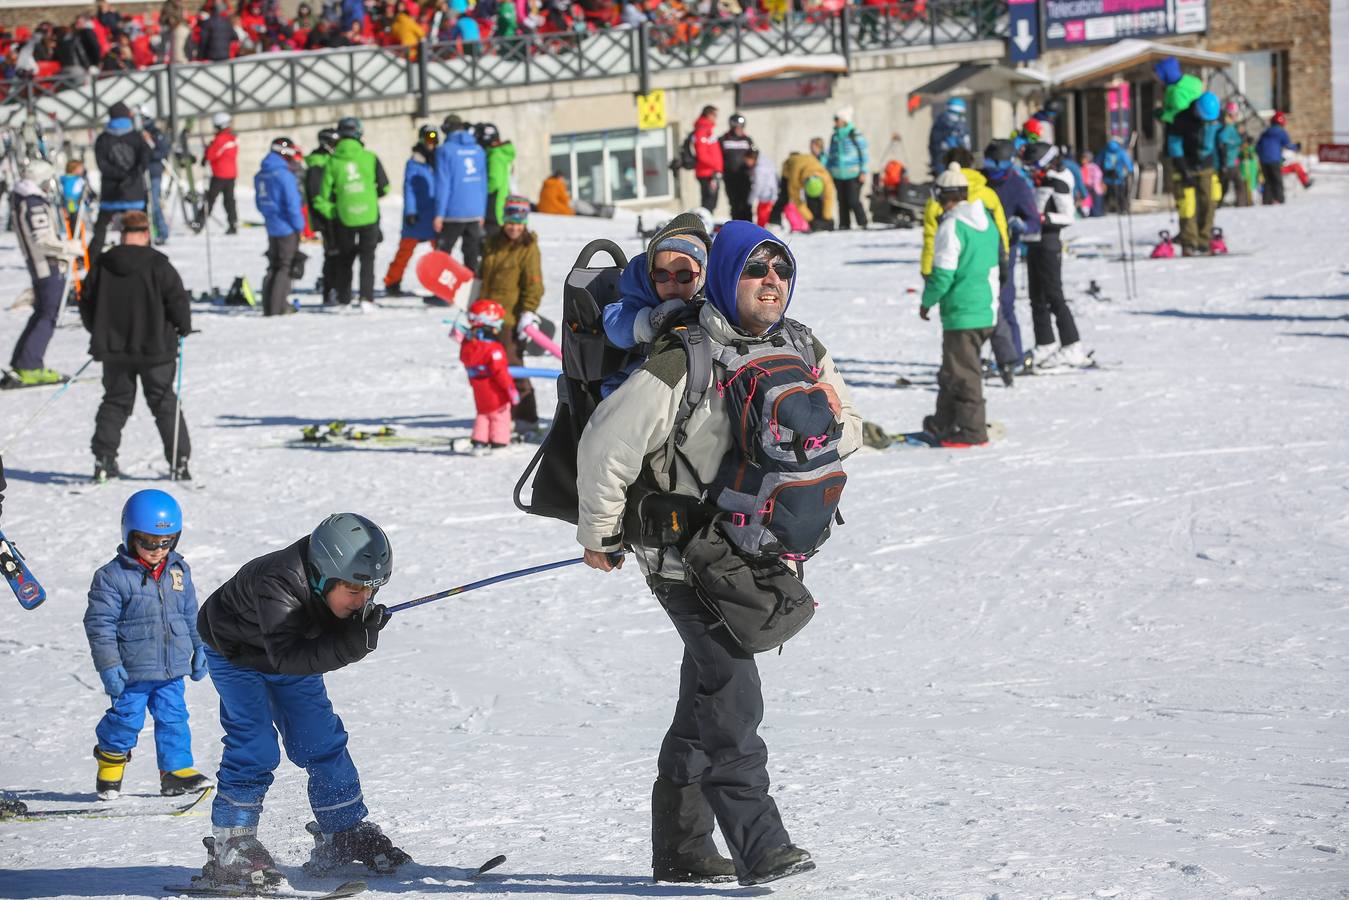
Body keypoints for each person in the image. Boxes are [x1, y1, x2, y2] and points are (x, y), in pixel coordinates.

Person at [576, 220, 861, 887]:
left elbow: (848, 428)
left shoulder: (802, 345)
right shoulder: (685, 357)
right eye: (756, 269)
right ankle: (761, 846)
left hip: (756, 547)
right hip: (685, 554)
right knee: (732, 689)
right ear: (728, 276)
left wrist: (807, 437)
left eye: (781, 270)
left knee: (704, 694)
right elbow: (606, 445)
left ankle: (681, 851)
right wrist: (599, 534)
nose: (771, 282)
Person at [194, 514, 408, 888]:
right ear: (322, 575)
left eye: (371, 591)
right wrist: (350, 644)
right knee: (255, 743)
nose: (363, 600)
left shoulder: (334, 588)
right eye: (354, 590)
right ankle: (232, 842)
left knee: (319, 737)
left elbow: (306, 644)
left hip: (290, 650)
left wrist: (354, 625)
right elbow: (287, 657)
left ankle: (343, 830)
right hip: (236, 656)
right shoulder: (277, 582)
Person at [84, 489, 211, 802]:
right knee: (126, 720)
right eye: (149, 542)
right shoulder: (111, 577)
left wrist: (200, 646)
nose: (157, 550)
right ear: (130, 536)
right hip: (133, 670)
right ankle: (110, 760)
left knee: (174, 718)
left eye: (166, 543)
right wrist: (109, 665)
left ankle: (175, 772)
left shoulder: (179, 571)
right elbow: (100, 625)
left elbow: (190, 613)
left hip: (171, 669)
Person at [80, 211, 192, 482]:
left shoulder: (103, 264)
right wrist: (183, 326)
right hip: (156, 350)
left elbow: (86, 303)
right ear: (145, 234)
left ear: (123, 234)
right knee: (164, 402)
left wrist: (101, 332)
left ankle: (104, 459)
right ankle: (179, 461)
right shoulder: (159, 265)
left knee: (115, 402)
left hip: (115, 350)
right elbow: (177, 301)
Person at [919, 164, 1001, 447]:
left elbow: (943, 275)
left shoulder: (952, 226)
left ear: (943, 195)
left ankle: (972, 430)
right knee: (952, 370)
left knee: (964, 374)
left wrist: (927, 302)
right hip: (985, 308)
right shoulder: (986, 219)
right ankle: (944, 421)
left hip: (963, 312)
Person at [600, 212, 711, 396]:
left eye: (684, 275)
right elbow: (614, 320)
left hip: (691, 379)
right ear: (652, 275)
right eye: (662, 275)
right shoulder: (643, 295)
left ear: (702, 278)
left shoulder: (708, 302)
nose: (671, 283)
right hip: (638, 379)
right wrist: (646, 322)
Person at [2, 160, 83, 388]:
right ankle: (30, 365)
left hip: (40, 264)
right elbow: (42, 239)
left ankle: (23, 361)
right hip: (47, 266)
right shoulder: (33, 202)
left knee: (41, 312)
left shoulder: (23, 199)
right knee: (49, 313)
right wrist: (68, 248)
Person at [477, 195, 543, 437]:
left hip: (509, 319)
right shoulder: (492, 242)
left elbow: (534, 284)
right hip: (486, 318)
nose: (514, 227)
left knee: (513, 367)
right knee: (489, 370)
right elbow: (481, 276)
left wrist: (528, 311)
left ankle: (527, 418)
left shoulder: (528, 248)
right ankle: (501, 414)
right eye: (510, 222)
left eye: (519, 223)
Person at [1021, 143, 1090, 370]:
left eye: (1032, 166)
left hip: (1049, 242)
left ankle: (1072, 344)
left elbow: (1068, 216)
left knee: (1054, 295)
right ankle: (1045, 342)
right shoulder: (1038, 182)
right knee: (1036, 297)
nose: (1029, 170)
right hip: (1033, 242)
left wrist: (1044, 219)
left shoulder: (1057, 182)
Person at [313, 117, 390, 308]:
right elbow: (385, 187)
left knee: (345, 259)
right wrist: (368, 196)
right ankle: (366, 298)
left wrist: (334, 211)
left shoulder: (332, 162)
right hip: (369, 216)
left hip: (345, 217)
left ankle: (344, 298)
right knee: (368, 259)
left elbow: (322, 197)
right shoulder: (370, 157)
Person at [981, 139, 1038, 383]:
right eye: (990, 163)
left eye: (1000, 164)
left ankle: (1013, 356)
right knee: (979, 303)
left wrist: (1022, 226)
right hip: (979, 248)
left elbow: (1034, 221)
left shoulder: (1018, 185)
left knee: (1004, 303)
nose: (994, 169)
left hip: (1005, 250)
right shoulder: (979, 180)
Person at [90, 101, 152, 263]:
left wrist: (118, 175)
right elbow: (145, 159)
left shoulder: (103, 139)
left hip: (111, 192)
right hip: (134, 191)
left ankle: (93, 262)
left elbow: (102, 164)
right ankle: (146, 260)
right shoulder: (136, 137)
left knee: (100, 231)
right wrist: (131, 175)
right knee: (139, 228)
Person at [383, 125, 439, 295]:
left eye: (433, 138)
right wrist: (410, 211)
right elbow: (409, 188)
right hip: (418, 214)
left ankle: (441, 284)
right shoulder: (414, 162)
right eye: (428, 138)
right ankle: (392, 281)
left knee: (441, 253)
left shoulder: (441, 159)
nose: (430, 142)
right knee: (405, 250)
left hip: (436, 213)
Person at [460, 299, 519, 456]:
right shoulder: (494, 349)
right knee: (500, 415)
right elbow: (500, 372)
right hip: (495, 390)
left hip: (479, 388)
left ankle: (479, 441)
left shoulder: (468, 345)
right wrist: (510, 389)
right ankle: (499, 442)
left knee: (483, 414)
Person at [254, 137, 306, 316]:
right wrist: (299, 226)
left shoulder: (262, 173)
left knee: (273, 266)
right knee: (284, 266)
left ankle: (269, 306)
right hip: (287, 227)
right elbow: (293, 204)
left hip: (272, 225)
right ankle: (278, 307)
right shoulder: (284, 175)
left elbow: (260, 202)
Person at [433, 114, 488, 278]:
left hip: (453, 212)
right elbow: (482, 183)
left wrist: (439, 214)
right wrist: (481, 212)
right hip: (475, 212)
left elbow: (443, 185)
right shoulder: (478, 149)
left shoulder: (444, 150)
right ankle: (472, 288)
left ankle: (442, 287)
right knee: (472, 254)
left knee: (443, 253)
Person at [1169, 90, 1221, 255]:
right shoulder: (1181, 119)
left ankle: (1204, 240)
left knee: (1209, 203)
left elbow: (1217, 143)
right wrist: (1183, 170)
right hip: (1185, 166)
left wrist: (1222, 166)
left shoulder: (1215, 119)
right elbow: (1174, 145)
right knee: (1188, 206)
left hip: (1206, 166)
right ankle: (1189, 242)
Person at [305, 127, 340, 303]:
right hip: (327, 216)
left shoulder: (330, 160)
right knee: (332, 253)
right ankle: (330, 289)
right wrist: (331, 214)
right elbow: (316, 195)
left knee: (338, 252)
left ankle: (335, 287)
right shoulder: (318, 164)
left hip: (334, 213)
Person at [825, 107, 868, 230]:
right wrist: (828, 170)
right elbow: (831, 155)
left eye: (837, 119)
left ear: (844, 120)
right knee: (842, 200)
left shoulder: (855, 134)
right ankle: (844, 224)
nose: (835, 122)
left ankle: (862, 222)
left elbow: (864, 154)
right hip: (838, 175)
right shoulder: (834, 136)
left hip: (853, 174)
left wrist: (863, 171)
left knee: (853, 200)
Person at [202, 112, 239, 234]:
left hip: (220, 175)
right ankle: (233, 224)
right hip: (231, 174)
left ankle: (198, 223)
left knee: (210, 199)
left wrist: (208, 149)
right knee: (229, 201)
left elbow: (211, 155)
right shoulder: (232, 138)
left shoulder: (220, 139)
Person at [781, 150, 834, 231]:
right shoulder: (794, 179)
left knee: (816, 201)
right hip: (789, 167)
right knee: (783, 197)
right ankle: (775, 220)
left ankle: (820, 221)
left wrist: (827, 217)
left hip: (807, 164)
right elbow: (797, 200)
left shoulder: (825, 177)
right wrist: (810, 219)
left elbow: (828, 198)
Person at [479, 123, 515, 238]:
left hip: (494, 204)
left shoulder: (495, 155)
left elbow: (495, 182)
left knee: (492, 238)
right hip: (501, 200)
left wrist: (481, 191)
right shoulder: (502, 153)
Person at [1256, 111, 1300, 205]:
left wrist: (1261, 156)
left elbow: (1258, 146)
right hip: (1274, 159)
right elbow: (1287, 144)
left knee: (1267, 181)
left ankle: (1266, 200)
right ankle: (1280, 199)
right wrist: (1296, 147)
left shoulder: (1266, 132)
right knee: (1277, 180)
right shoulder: (1281, 132)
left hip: (1263, 160)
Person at [718, 112, 756, 221]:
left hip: (745, 177)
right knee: (734, 204)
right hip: (730, 177)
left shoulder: (747, 140)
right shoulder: (723, 139)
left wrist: (752, 165)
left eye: (740, 127)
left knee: (746, 204)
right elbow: (717, 157)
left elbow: (754, 154)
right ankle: (737, 225)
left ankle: (749, 226)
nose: (738, 129)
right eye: (736, 127)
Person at [144, 115, 173, 244]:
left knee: (154, 203)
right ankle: (148, 232)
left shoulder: (157, 134)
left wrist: (148, 143)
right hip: (142, 173)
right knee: (144, 204)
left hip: (154, 173)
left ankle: (162, 232)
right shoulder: (137, 133)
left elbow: (161, 152)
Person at [691, 105, 723, 213]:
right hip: (707, 173)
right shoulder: (702, 130)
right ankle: (704, 222)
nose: (715, 118)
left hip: (711, 172)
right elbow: (702, 155)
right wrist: (716, 165)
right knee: (708, 203)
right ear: (708, 115)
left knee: (712, 202)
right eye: (714, 115)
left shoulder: (708, 130)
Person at [927, 96, 970, 176]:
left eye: (960, 114)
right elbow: (934, 146)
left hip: (960, 164)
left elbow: (966, 145)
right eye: (955, 113)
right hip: (943, 163)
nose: (958, 116)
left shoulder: (962, 125)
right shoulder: (940, 125)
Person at [1216, 103, 1246, 207]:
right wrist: (1239, 142)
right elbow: (1223, 141)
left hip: (1232, 160)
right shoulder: (1227, 127)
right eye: (1235, 114)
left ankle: (1239, 204)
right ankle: (1239, 205)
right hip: (1228, 161)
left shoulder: (1232, 126)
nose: (1236, 116)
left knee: (1232, 185)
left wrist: (1242, 138)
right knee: (1232, 185)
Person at [1097, 137, 1134, 214]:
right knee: (1120, 194)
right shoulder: (1121, 151)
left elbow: (1098, 161)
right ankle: (1122, 209)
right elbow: (1127, 162)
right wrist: (1130, 170)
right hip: (1118, 177)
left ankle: (1104, 209)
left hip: (1107, 177)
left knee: (1107, 195)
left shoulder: (1105, 150)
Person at [746, 148, 778, 228]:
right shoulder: (765, 164)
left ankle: (761, 231)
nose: (747, 163)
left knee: (762, 216)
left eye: (747, 160)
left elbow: (758, 186)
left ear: (752, 158)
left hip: (766, 196)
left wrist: (750, 200)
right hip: (769, 194)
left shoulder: (759, 170)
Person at [1079, 150, 1104, 218]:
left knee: (1096, 202)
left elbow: (1097, 176)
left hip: (1094, 188)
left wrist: (1094, 185)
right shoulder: (1083, 167)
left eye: (1084, 158)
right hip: (1087, 188)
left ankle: (1097, 212)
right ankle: (1090, 212)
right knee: (1088, 202)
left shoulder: (1093, 167)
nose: (1082, 160)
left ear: (1088, 159)